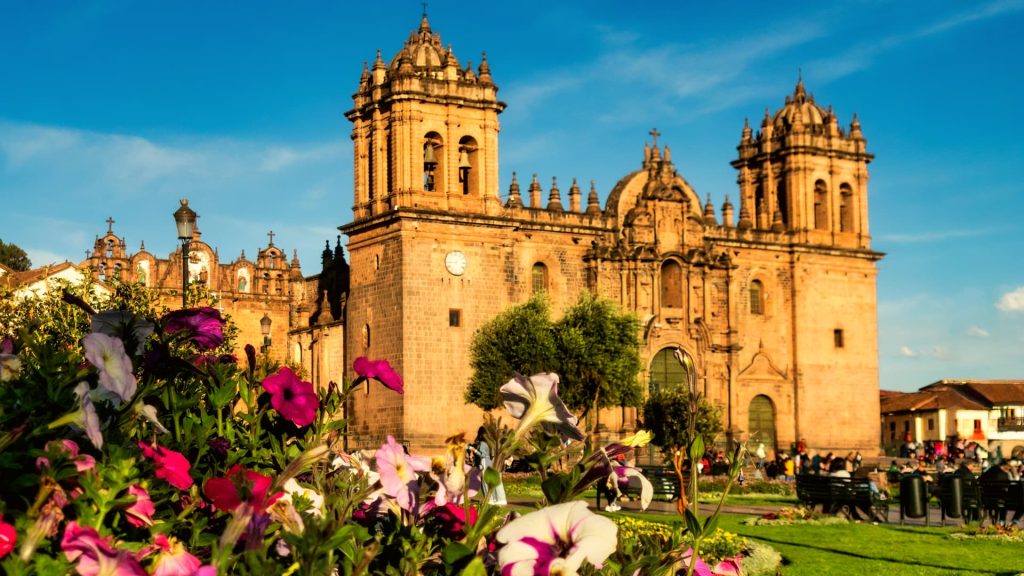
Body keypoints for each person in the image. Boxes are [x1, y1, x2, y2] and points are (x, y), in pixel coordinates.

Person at [474, 427, 507, 505]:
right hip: (490, 461)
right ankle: (498, 499)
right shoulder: (490, 443)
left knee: (485, 481)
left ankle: (489, 499)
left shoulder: (482, 443)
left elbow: (482, 455)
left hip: (484, 461)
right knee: (493, 480)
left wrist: (474, 450)